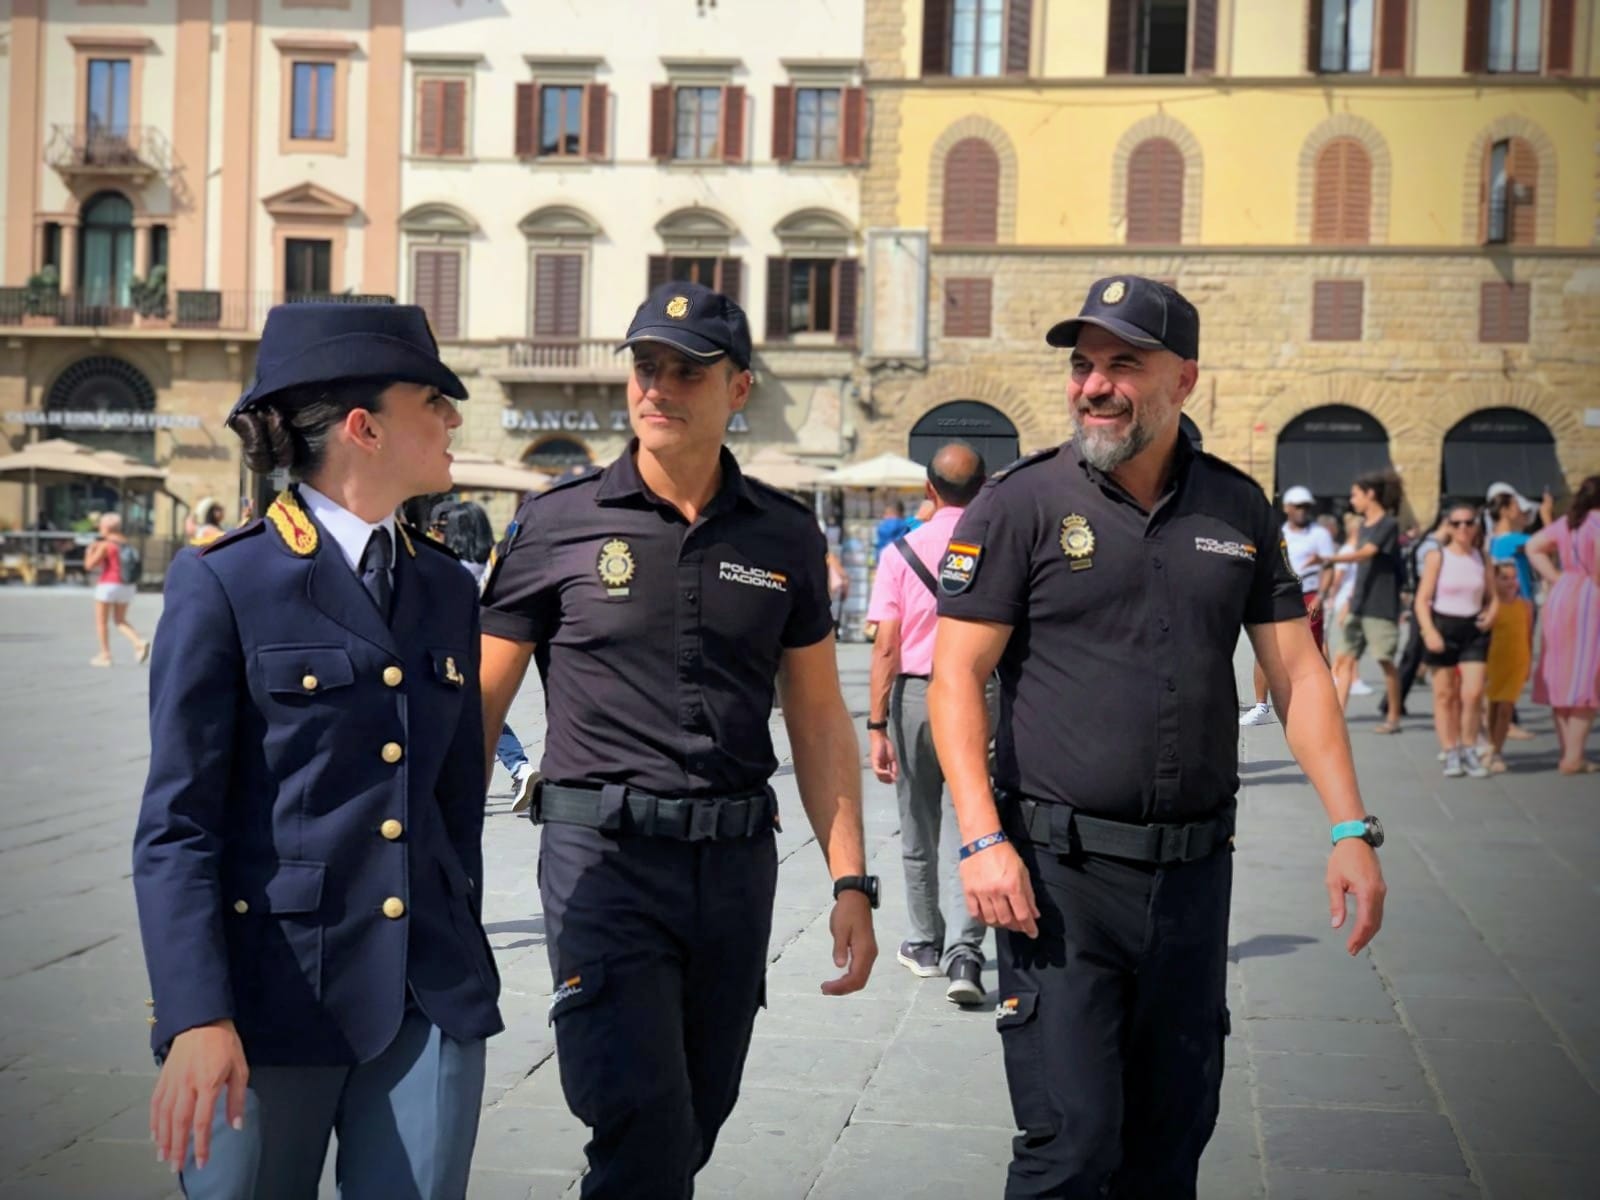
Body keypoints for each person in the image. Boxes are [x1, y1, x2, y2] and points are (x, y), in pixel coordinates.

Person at [929, 276, 1385, 1198]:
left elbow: (1297, 675)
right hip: (1057, 880)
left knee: (1170, 1145)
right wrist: (980, 840)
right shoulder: (1020, 503)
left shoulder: (1238, 509)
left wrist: (1349, 829)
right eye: (1083, 366)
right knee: (1072, 1147)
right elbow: (954, 677)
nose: (1094, 386)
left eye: (1122, 366)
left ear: (1185, 379)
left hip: (1191, 880)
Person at [477, 281, 878, 1198]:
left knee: (696, 1117)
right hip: (602, 863)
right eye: (645, 366)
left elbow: (816, 716)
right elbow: (479, 708)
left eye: (686, 372)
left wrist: (850, 878)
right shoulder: (557, 521)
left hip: (735, 869)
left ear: (738, 389)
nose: (657, 388)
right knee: (643, 1122)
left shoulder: (782, 531)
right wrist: (439, 871)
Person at [131, 304, 503, 1198]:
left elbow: (456, 806)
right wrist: (196, 1015)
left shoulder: (447, 585)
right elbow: (177, 826)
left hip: (426, 997)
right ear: (363, 428)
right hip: (268, 1004)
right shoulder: (226, 581)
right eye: (434, 401)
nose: (454, 419)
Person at [866, 441, 991, 1004]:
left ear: (928, 490)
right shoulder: (998, 547)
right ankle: (968, 953)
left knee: (917, 824)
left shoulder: (900, 552)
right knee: (975, 821)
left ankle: (923, 942)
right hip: (982, 694)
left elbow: (887, 647)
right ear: (984, 489)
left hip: (917, 693)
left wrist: (875, 723)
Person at [430, 500, 540, 813]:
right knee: (484, 716)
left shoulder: (445, 569)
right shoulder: (496, 564)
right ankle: (520, 770)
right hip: (491, 653)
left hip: (450, 656)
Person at [1414, 503, 1498, 779]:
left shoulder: (1483, 558)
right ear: (1448, 526)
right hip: (1443, 625)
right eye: (1457, 523)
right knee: (1444, 694)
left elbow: (1493, 596)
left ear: (1477, 526)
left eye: (1469, 522)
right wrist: (1429, 631)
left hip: (1474, 628)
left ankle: (1470, 747)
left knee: (1473, 693)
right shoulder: (1437, 557)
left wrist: (1491, 614)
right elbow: (1421, 600)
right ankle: (1451, 750)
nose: (1463, 528)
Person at [1318, 470, 1406, 730]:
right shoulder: (1364, 526)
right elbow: (1362, 571)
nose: (1352, 500)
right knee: (1344, 659)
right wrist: (1350, 600)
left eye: (1355, 494)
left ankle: (1393, 717)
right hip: (1360, 602)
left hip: (1381, 605)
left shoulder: (1388, 525)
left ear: (1371, 494)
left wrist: (1328, 558)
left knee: (1385, 661)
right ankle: (1337, 716)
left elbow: (1366, 555)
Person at [1241, 485, 1335, 726]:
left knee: (1311, 651)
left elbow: (1328, 568)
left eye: (1306, 507)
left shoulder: (1319, 535)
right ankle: (1262, 706)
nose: (1302, 511)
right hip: (1278, 594)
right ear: (1288, 509)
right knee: (1264, 650)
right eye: (1298, 507)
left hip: (1309, 596)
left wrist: (1319, 598)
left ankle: (1324, 699)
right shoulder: (1276, 533)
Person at [1527, 474, 1600, 775]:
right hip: (1591, 598)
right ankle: (1573, 756)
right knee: (1587, 673)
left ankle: (1568, 751)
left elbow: (1533, 546)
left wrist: (1556, 577)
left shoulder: (1571, 521)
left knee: (1562, 672)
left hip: (1562, 595)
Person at [1484, 561, 1534, 775]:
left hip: (1517, 662)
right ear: (1494, 580)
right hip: (1494, 663)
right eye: (1505, 578)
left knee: (1506, 708)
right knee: (1492, 707)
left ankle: (1497, 751)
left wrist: (1529, 663)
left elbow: (1529, 636)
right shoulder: (1491, 607)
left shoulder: (1525, 606)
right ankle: (1489, 745)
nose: (1511, 582)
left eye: (1514, 578)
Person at [83, 512, 148, 667]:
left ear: (106, 527)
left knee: (101, 622)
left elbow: (89, 565)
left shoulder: (105, 545)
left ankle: (105, 654)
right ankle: (138, 642)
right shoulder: (126, 543)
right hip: (127, 586)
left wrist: (89, 552)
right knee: (120, 620)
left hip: (108, 585)